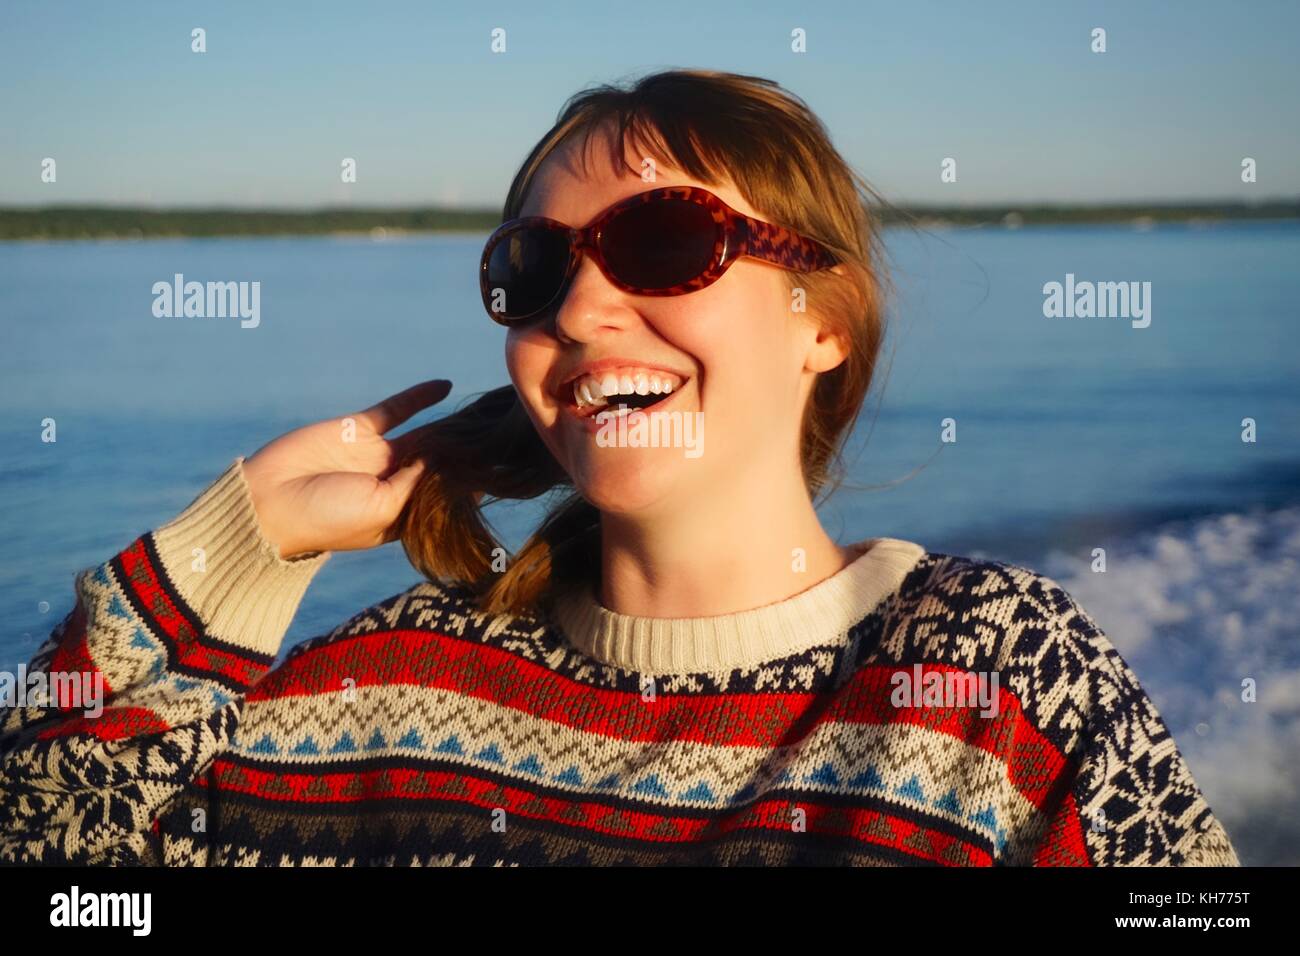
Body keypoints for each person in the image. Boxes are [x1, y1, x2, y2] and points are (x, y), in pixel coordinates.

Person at [0, 69, 1238, 866]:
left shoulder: (995, 679)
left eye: (662, 242)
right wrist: (244, 546)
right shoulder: (389, 695)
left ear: (824, 319)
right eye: (534, 269)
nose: (583, 309)